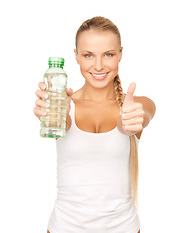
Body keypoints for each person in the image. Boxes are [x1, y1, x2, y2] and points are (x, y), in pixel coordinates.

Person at [34, 16, 156, 233]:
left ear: (120, 54)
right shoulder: (64, 105)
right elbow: (64, 121)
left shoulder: (133, 105)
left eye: (108, 54)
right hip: (64, 227)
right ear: (77, 57)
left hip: (124, 228)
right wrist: (52, 113)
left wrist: (137, 118)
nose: (98, 65)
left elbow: (143, 112)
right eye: (88, 55)